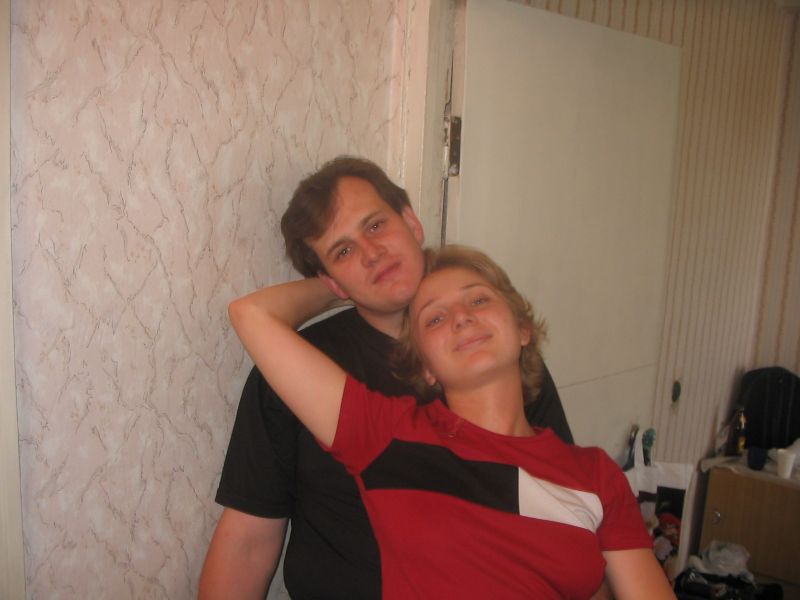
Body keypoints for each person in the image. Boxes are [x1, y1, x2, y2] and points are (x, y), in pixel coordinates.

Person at [198, 157, 574, 599]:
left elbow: (569, 512)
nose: (371, 253)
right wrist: (346, 287)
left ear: (412, 222)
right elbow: (246, 542)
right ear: (330, 280)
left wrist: (358, 278)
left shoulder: (489, 352)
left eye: (376, 226)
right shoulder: (295, 368)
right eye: (343, 252)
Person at [226, 244, 676, 599]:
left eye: (478, 299)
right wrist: (348, 283)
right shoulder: (388, 438)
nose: (462, 318)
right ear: (425, 367)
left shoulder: (596, 475)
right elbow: (252, 314)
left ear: (523, 329)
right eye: (436, 318)